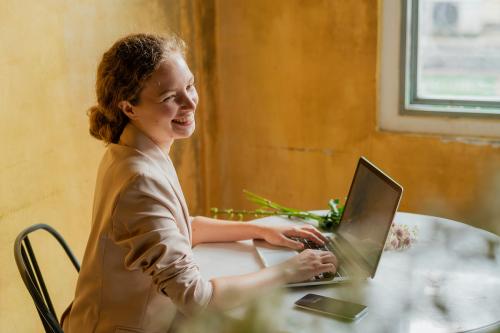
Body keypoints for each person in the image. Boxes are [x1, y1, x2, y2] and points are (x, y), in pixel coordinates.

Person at [62, 33, 337, 333]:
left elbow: (182, 228)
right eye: (169, 97)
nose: (189, 103)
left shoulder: (130, 149)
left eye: (190, 86)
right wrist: (288, 271)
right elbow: (197, 298)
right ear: (129, 108)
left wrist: (260, 229)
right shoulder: (139, 180)